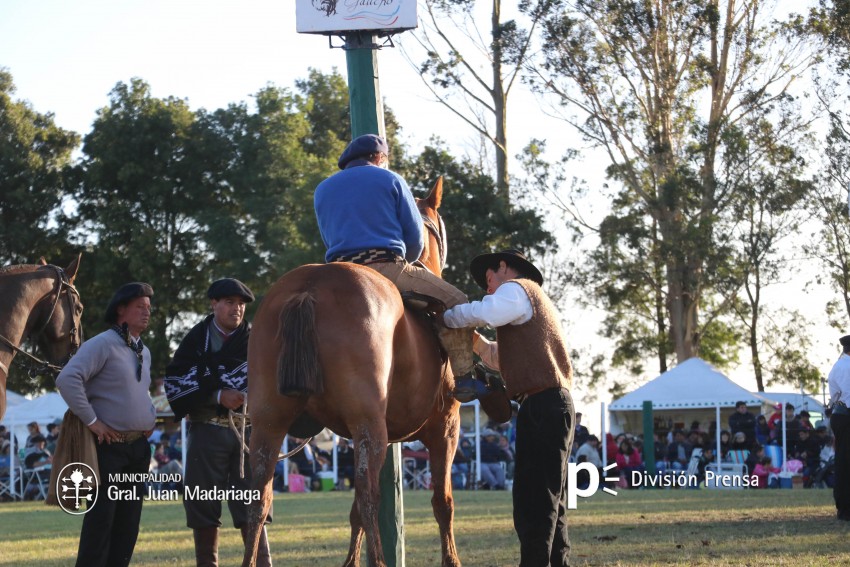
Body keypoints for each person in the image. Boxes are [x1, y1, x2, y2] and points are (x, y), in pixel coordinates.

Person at [313, 134, 485, 401]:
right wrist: (408, 261)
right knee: (456, 300)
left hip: (338, 274)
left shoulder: (322, 189)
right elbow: (416, 239)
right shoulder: (391, 179)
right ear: (380, 157)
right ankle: (464, 378)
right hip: (384, 266)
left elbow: (327, 238)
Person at [443, 249, 574, 566]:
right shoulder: (526, 304)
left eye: (488, 280)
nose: (488, 289)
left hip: (544, 403)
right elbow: (498, 356)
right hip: (545, 404)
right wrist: (470, 338)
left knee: (535, 501)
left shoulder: (518, 289)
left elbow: (488, 312)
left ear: (503, 267)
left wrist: (448, 317)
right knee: (547, 501)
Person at [163, 278, 272, 566]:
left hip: (248, 434)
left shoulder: (258, 339)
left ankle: (262, 563)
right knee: (202, 500)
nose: (236, 309)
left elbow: (274, 379)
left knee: (254, 501)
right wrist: (216, 394)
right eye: (229, 302)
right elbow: (176, 380)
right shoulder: (195, 340)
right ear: (214, 304)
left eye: (240, 304)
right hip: (206, 430)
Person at [56, 282, 157, 567]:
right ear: (120, 310)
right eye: (140, 307)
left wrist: (148, 416)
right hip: (108, 448)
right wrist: (93, 422)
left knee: (128, 525)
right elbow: (67, 379)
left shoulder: (143, 350)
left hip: (138, 448)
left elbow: (140, 391)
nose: (147, 312)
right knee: (101, 522)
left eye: (149, 307)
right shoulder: (102, 343)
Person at [829, 334, 850, 520]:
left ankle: (844, 505)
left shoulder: (839, 365)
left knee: (843, 460)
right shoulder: (845, 366)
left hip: (840, 415)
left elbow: (835, 394)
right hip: (846, 416)